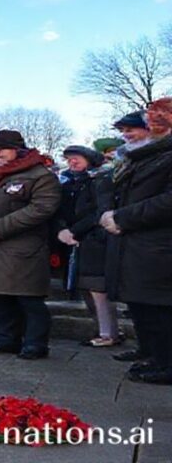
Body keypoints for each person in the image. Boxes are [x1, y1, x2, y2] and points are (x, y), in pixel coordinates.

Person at [0, 129, 61, 360]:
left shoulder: (39, 175)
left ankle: (35, 343)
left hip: (22, 246)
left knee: (28, 298)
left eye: (2, 149)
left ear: (18, 149)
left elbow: (42, 208)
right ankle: (7, 339)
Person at [100, 99, 172, 384]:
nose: (128, 135)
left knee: (161, 309)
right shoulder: (138, 157)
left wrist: (123, 217)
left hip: (159, 245)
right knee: (144, 307)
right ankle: (155, 357)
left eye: (136, 128)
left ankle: (167, 364)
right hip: (136, 245)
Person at [56, 145, 120, 347]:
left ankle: (108, 333)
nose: (72, 162)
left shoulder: (99, 180)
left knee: (98, 289)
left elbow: (99, 211)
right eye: (68, 159)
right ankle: (103, 330)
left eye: (76, 158)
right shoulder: (69, 183)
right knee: (86, 288)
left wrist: (74, 231)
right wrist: (63, 230)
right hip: (75, 241)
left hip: (94, 240)